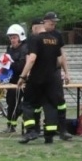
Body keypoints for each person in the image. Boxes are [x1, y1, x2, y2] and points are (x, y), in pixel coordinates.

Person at [20, 12, 72, 144]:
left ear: (36, 27)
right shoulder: (52, 39)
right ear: (43, 23)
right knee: (50, 105)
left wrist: (23, 76)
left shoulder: (37, 38)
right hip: (51, 78)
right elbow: (59, 59)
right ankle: (46, 134)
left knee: (29, 104)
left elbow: (32, 58)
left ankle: (33, 130)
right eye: (51, 23)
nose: (54, 25)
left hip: (40, 77)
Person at [1, 23, 29, 133]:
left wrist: (9, 63)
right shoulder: (9, 49)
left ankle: (28, 127)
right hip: (12, 81)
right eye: (10, 38)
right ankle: (10, 126)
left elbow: (21, 66)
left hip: (24, 81)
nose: (12, 40)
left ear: (20, 37)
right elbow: (6, 65)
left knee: (23, 104)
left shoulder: (25, 48)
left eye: (14, 38)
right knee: (11, 102)